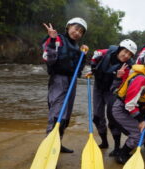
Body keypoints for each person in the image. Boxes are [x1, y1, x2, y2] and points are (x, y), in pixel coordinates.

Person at [42, 17, 88, 153]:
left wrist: (83, 54)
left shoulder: (76, 46)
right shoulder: (57, 39)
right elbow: (48, 58)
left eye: (81, 32)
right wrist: (51, 39)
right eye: (75, 28)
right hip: (58, 79)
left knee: (66, 115)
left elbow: (79, 66)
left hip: (71, 80)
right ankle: (49, 147)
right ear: (68, 27)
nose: (77, 33)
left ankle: (58, 143)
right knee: (57, 114)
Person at [112, 50, 145, 164]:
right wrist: (140, 120)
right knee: (138, 133)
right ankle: (122, 154)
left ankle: (126, 149)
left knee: (142, 133)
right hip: (121, 109)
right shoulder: (142, 78)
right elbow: (130, 104)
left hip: (131, 108)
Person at [88, 39, 137, 156]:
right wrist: (93, 69)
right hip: (98, 87)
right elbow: (95, 55)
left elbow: (122, 86)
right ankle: (104, 142)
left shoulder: (128, 67)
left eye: (130, 54)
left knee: (113, 118)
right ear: (119, 49)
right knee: (97, 117)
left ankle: (116, 147)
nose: (126, 56)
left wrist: (119, 77)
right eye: (125, 52)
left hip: (112, 91)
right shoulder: (107, 52)